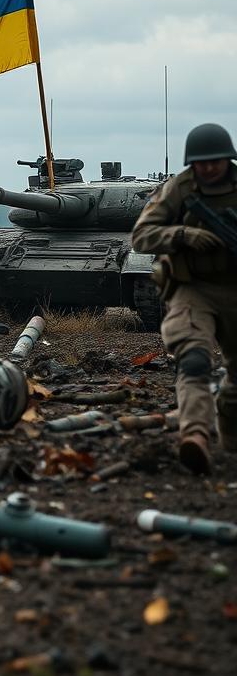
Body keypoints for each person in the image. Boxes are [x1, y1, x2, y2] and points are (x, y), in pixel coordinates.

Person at [131, 123, 237, 475]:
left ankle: (230, 438)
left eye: (215, 162)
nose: (208, 168)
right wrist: (184, 234)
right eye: (201, 162)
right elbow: (142, 235)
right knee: (193, 360)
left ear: (228, 159)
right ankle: (194, 436)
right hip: (193, 288)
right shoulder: (180, 188)